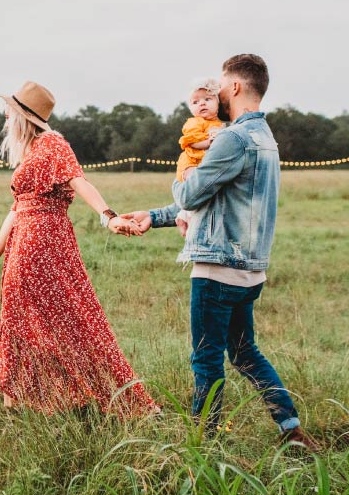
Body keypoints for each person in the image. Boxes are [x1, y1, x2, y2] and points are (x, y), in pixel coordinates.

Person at [124, 55, 318, 449]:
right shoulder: (265, 138)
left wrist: (182, 176)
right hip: (249, 271)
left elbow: (193, 193)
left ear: (235, 88)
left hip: (217, 269)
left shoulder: (232, 138)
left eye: (221, 86)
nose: (215, 94)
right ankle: (291, 429)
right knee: (245, 353)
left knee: (205, 358)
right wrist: (155, 216)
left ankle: (203, 442)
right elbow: (217, 200)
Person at [0, 81, 158, 416]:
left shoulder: (52, 143)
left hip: (44, 242)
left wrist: (108, 216)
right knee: (21, 319)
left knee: (71, 318)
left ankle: (96, 396)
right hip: (24, 243)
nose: (4, 116)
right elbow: (16, 210)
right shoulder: (30, 151)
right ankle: (25, 400)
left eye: (9, 111)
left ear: (22, 116)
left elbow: (79, 180)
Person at [175, 78, 224, 236]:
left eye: (207, 99)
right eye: (195, 102)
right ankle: (187, 217)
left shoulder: (219, 124)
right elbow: (191, 141)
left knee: (204, 190)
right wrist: (208, 142)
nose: (201, 104)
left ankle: (183, 215)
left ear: (218, 103)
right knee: (196, 186)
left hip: (202, 162)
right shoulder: (195, 122)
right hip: (191, 162)